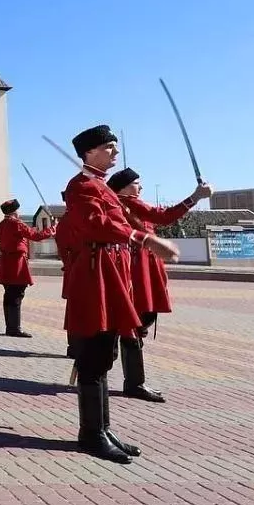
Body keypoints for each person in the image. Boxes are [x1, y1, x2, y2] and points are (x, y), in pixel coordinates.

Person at [56, 125, 180, 463]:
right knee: (93, 357)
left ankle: (103, 429)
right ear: (90, 152)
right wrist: (146, 239)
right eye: (109, 147)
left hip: (110, 274)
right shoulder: (80, 187)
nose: (115, 153)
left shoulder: (99, 186)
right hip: (95, 276)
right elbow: (98, 225)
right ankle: (91, 434)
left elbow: (130, 218)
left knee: (104, 354)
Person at [107, 167, 212, 402]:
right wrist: (195, 197)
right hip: (136, 269)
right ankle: (134, 382)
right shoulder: (127, 203)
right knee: (136, 322)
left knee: (138, 322)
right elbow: (164, 216)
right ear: (123, 187)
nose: (140, 187)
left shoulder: (125, 202)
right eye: (136, 183)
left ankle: (130, 375)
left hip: (145, 266)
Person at [0, 199, 56, 338]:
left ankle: (10, 326)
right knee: (17, 295)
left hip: (5, 262)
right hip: (16, 262)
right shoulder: (16, 224)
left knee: (9, 294)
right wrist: (52, 229)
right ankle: (14, 328)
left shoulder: (1, 225)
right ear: (15, 211)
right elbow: (35, 236)